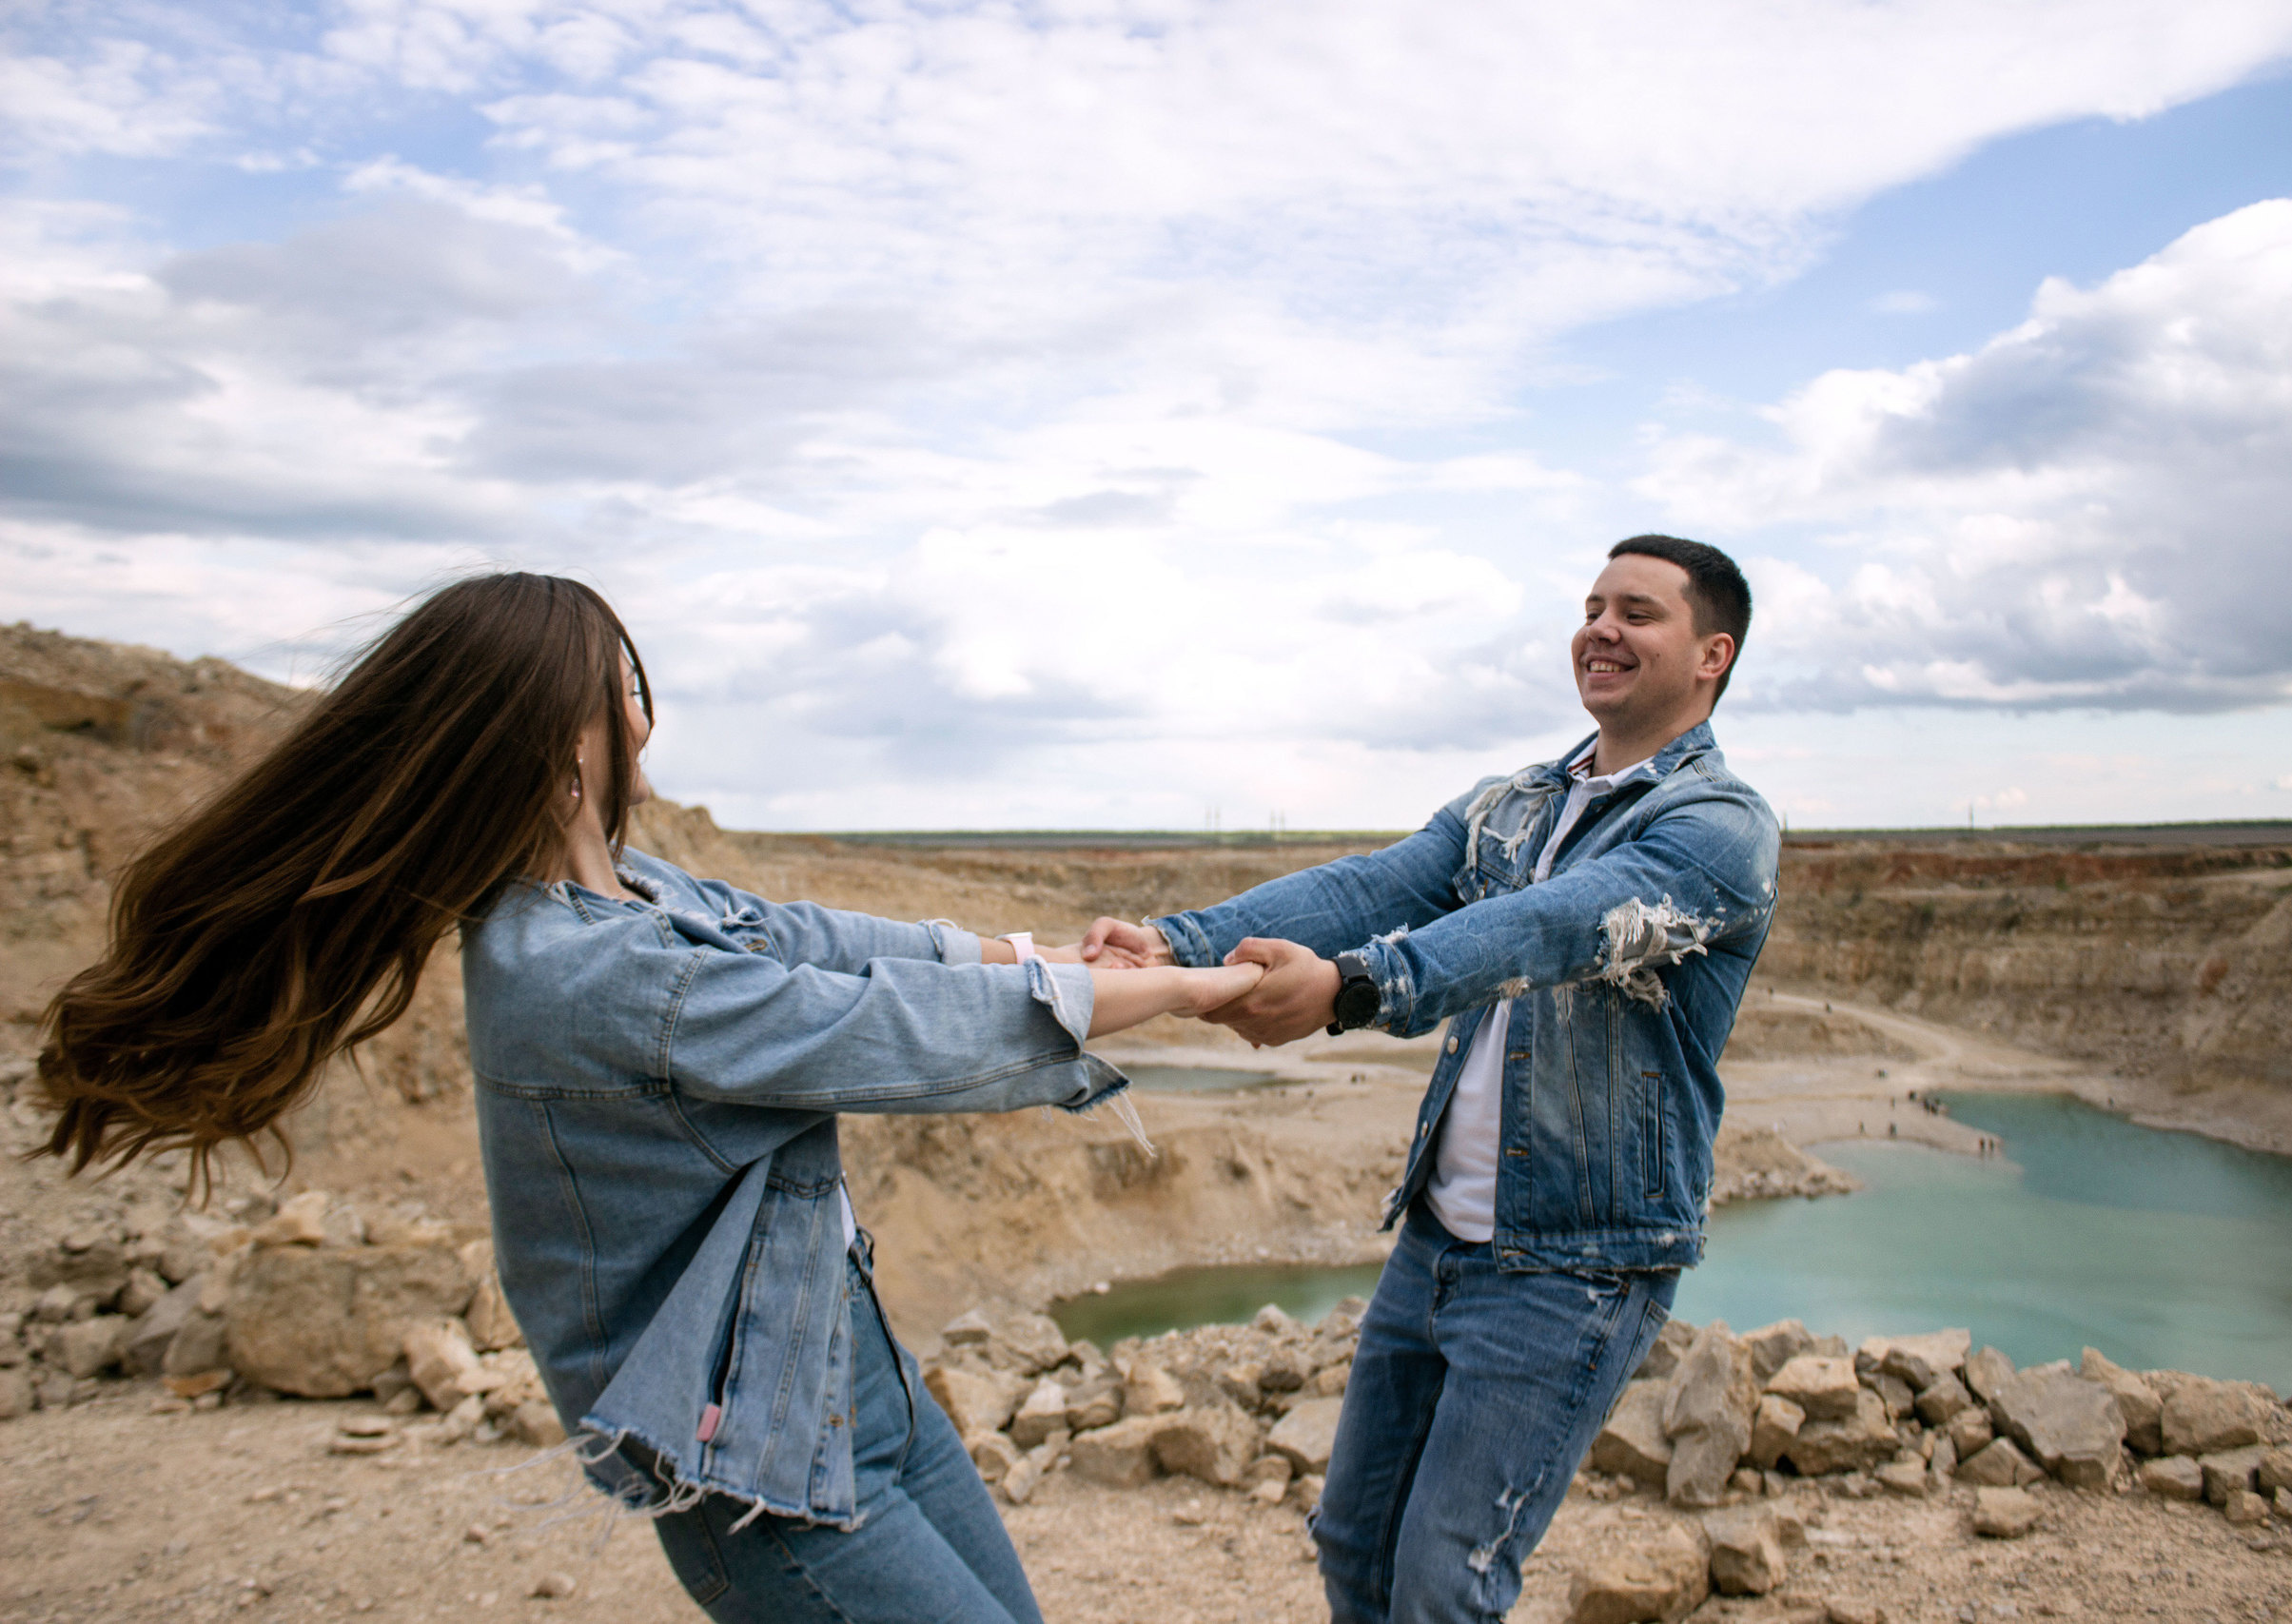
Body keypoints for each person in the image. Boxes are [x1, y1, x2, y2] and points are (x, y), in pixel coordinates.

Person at [31, 573, 1263, 1624]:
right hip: (760, 1468)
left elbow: (820, 939)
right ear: (561, 734)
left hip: (852, 1388)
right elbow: (878, 1026)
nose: (640, 713)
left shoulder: (634, 896)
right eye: (619, 687)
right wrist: (1192, 996)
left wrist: (1055, 957)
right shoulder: (587, 970)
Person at [1083, 536, 1779, 1624]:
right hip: (1436, 1247)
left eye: (1637, 613)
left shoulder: (1716, 829)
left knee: (1444, 1582)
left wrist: (1354, 989)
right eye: (1592, 605)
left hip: (1573, 1265)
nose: (1600, 628)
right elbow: (1377, 884)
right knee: (1355, 1546)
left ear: (1710, 654)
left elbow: (1546, 928)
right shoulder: (1516, 802)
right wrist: (1177, 944)